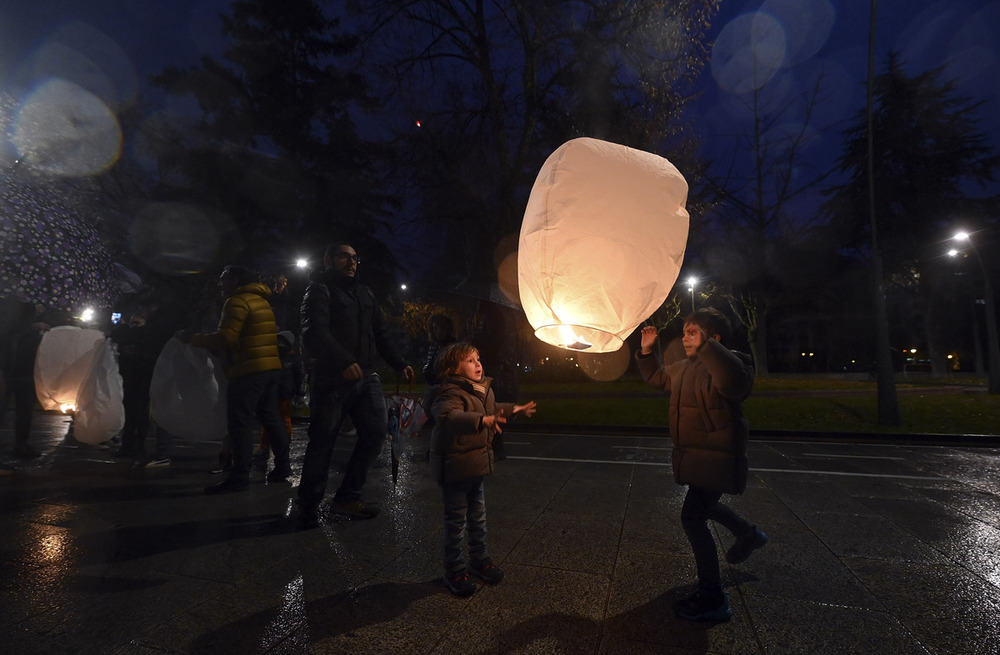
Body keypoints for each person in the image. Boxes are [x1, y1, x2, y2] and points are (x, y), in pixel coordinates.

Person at [635, 308, 767, 623]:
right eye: (684, 332)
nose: (685, 337)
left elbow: (734, 383)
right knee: (701, 508)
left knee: (692, 518)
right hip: (698, 455)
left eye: (693, 332)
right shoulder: (686, 367)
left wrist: (708, 349)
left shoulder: (735, 365)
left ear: (714, 339)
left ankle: (713, 598)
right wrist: (647, 350)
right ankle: (748, 534)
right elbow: (658, 377)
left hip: (718, 455)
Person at [296, 242, 414, 527]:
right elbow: (315, 332)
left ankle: (347, 496)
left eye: (355, 258)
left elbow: (380, 333)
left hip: (367, 376)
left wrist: (399, 363)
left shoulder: (365, 293)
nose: (351, 262)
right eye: (344, 257)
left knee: (375, 432)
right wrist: (343, 361)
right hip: (331, 377)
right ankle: (308, 504)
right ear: (328, 259)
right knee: (323, 438)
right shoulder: (319, 291)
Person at [423, 341, 536, 596]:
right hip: (454, 468)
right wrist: (481, 420)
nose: (478, 364)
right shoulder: (450, 392)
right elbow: (447, 417)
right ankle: (455, 570)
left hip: (474, 467)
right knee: (456, 523)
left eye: (478, 358)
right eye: (470, 360)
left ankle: (479, 559)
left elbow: (491, 410)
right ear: (453, 367)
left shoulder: (482, 389)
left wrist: (514, 409)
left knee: (478, 518)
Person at [178, 265, 292, 493]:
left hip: (248, 370)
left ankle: (240, 476)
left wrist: (194, 339)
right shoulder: (261, 300)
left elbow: (227, 338)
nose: (220, 284)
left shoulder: (237, 301)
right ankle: (282, 466)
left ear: (235, 280)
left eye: (224, 279)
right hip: (270, 368)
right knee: (270, 418)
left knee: (240, 422)